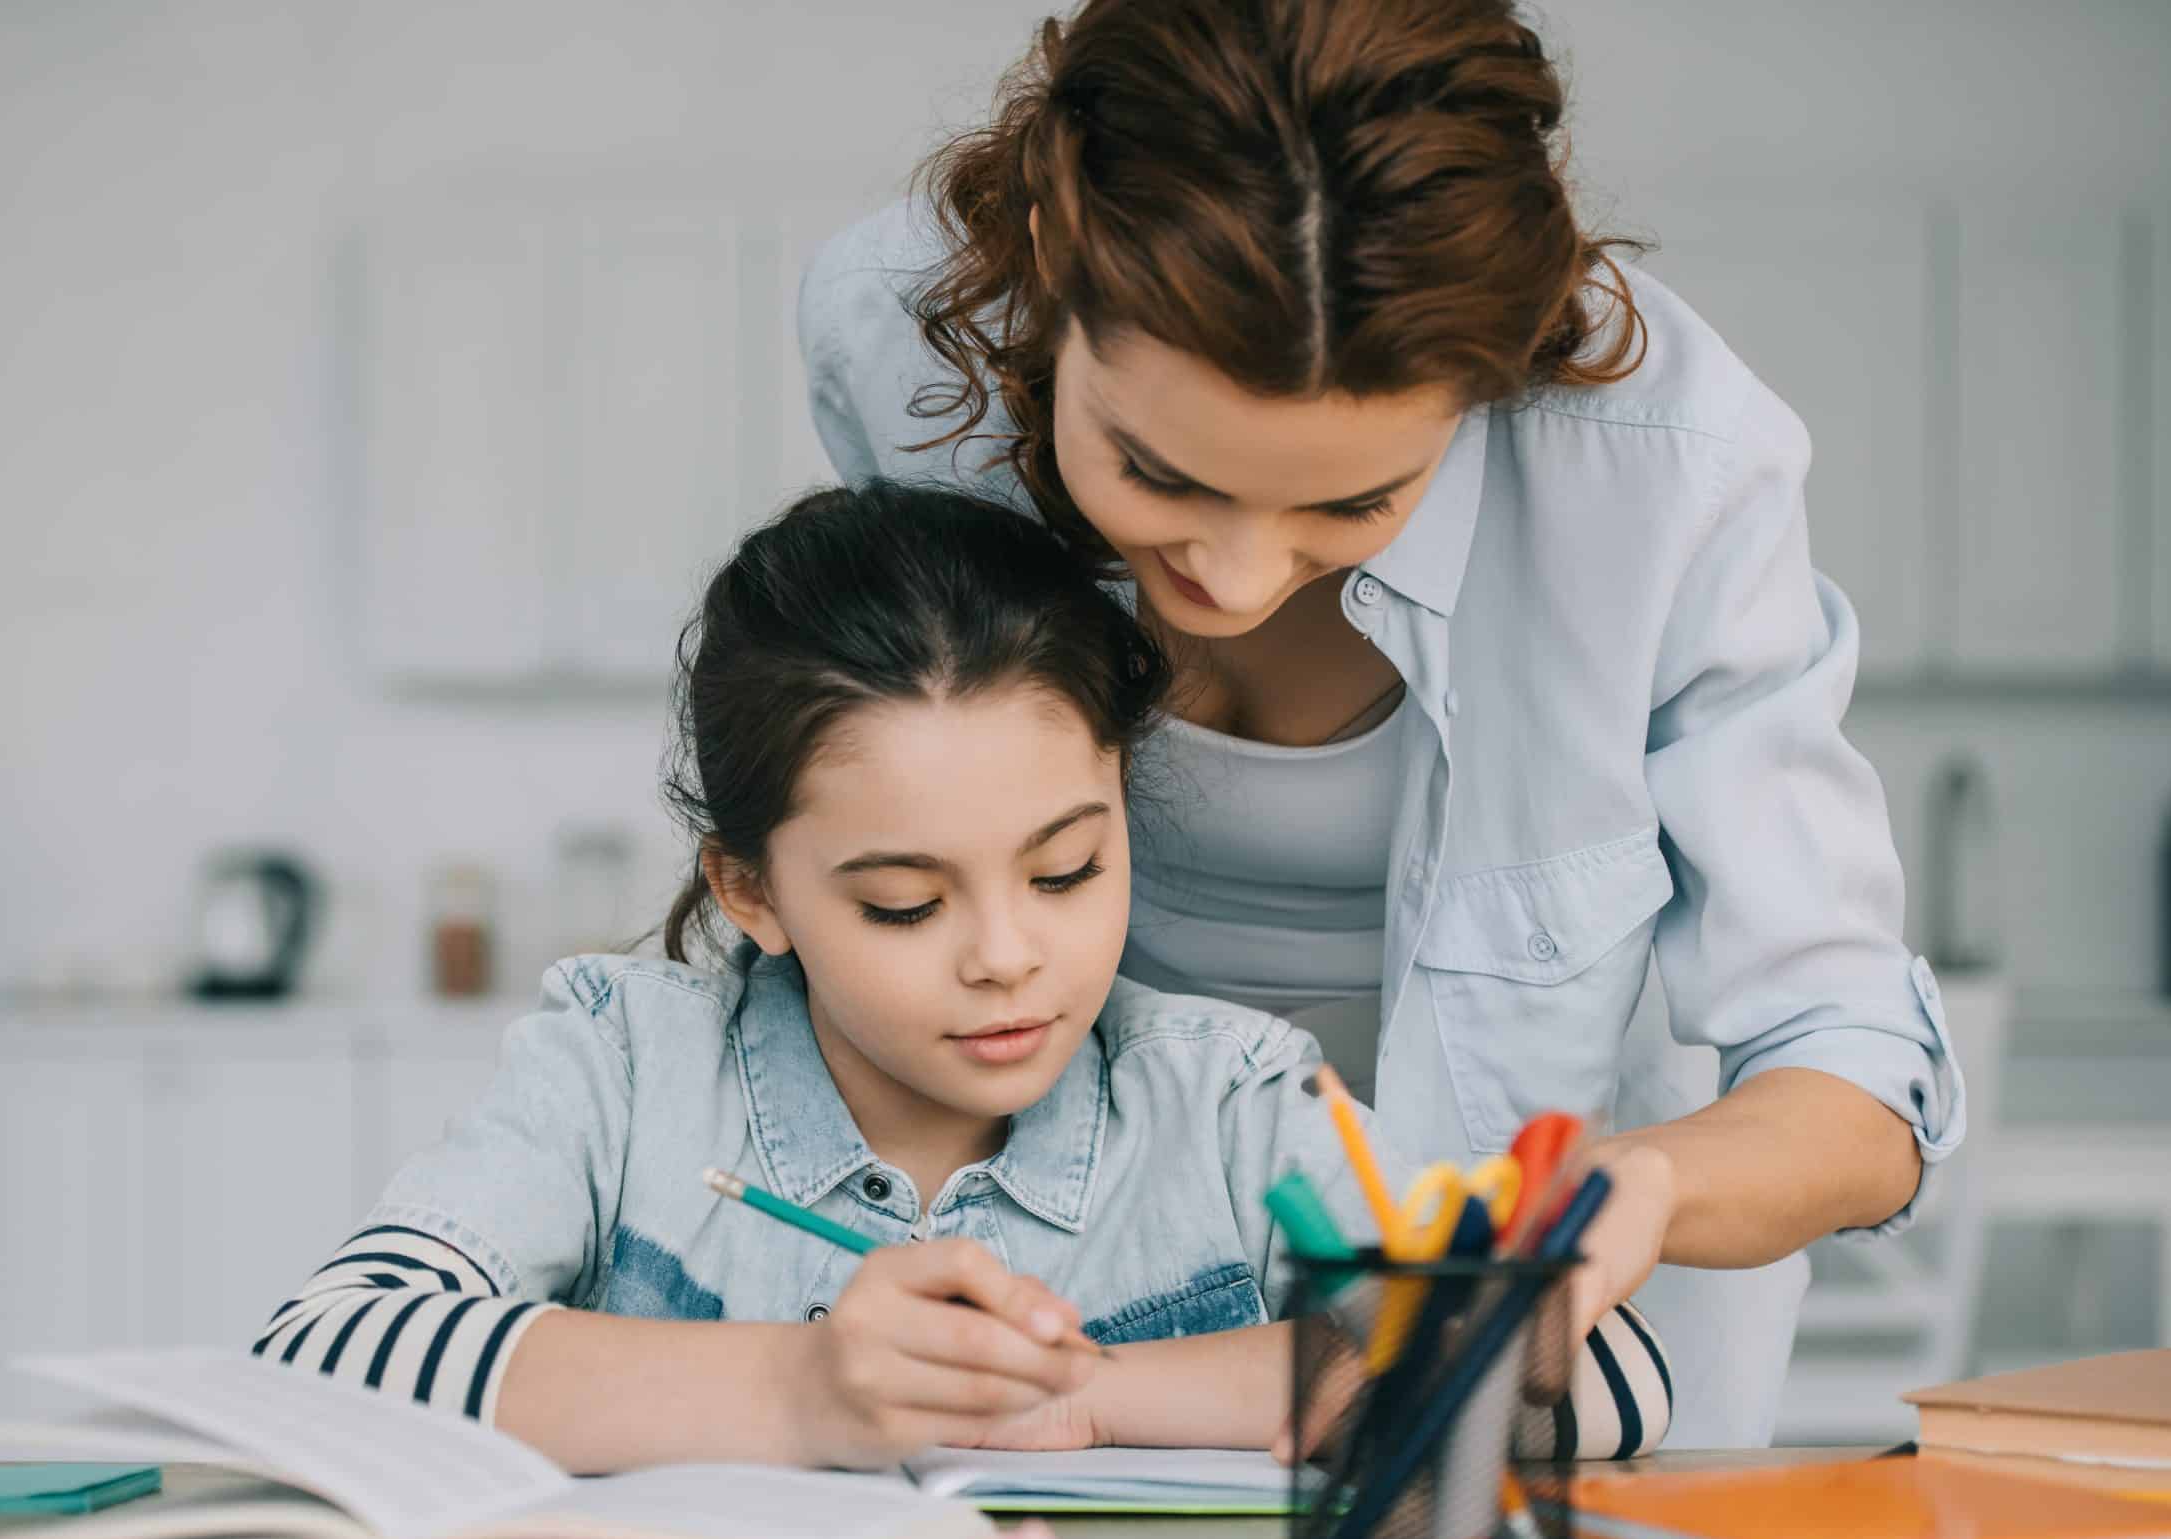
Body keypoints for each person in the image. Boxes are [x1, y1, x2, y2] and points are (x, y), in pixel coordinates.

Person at [797, 0, 1964, 1448]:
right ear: (1050, 259)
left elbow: (1854, 1071)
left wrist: (1641, 1189)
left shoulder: (1669, 479)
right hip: (1084, 1335)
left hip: (1562, 1385)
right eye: (1157, 471)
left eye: (1350, 503)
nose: (1231, 576)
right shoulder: (901, 353)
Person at [254, 483, 1669, 1470]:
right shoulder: (624, 1065)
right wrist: (804, 1388)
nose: (1009, 955)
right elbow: (320, 1355)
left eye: (1065, 871)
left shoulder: (1231, 1099)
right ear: (750, 888)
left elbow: (1594, 1376)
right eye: (903, 901)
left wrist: (1098, 1396)